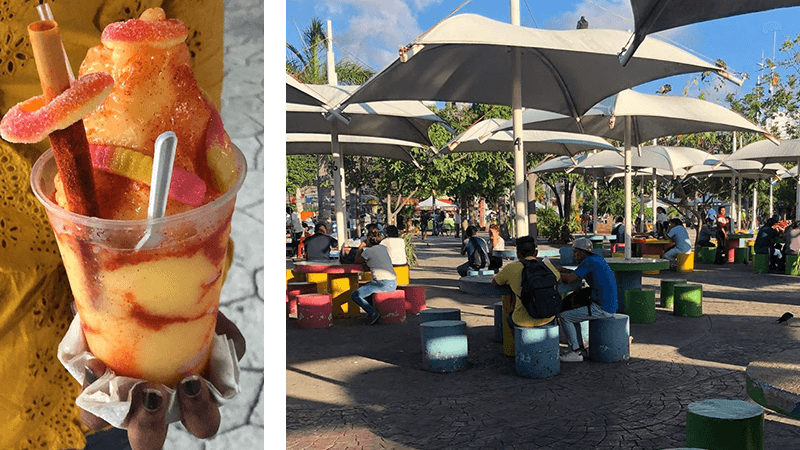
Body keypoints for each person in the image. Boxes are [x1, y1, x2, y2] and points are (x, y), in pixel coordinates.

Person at [0, 3, 248, 449]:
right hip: (11, 381)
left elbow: (203, 148)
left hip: (119, 380)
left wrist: (187, 308)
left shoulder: (151, 63)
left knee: (128, 418)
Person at [557, 238, 618, 363]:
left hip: (602, 308)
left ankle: (576, 351)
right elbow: (577, 274)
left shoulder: (588, 262)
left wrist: (555, 273)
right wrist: (564, 270)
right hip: (608, 304)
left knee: (564, 316)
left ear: (582, 252)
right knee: (572, 313)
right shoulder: (596, 259)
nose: (574, 255)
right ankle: (579, 348)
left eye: (575, 252)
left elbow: (569, 279)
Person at [491, 236, 557, 328]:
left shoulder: (511, 268)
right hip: (548, 317)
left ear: (518, 255)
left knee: (509, 319)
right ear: (536, 253)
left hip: (521, 320)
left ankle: (517, 341)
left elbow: (495, 282)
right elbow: (558, 278)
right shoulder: (546, 265)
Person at [352, 231, 398, 325]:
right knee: (367, 289)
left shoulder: (369, 251)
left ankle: (373, 313)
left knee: (355, 295)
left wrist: (361, 246)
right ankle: (372, 312)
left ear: (368, 240)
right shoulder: (383, 248)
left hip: (382, 283)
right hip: (392, 282)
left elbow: (357, 261)